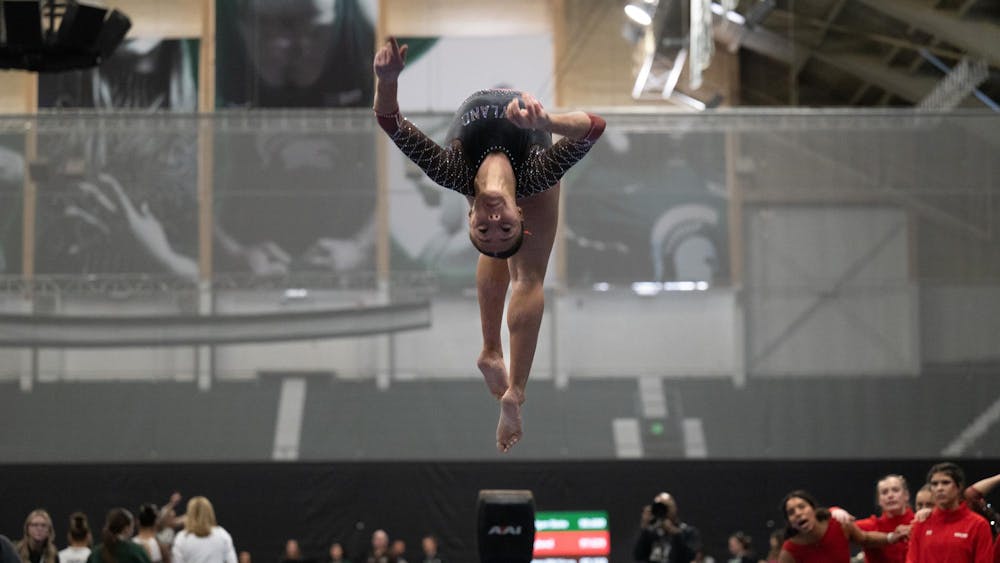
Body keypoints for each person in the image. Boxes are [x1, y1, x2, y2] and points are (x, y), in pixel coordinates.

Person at [373, 37, 606, 452]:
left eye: (484, 229)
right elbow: (594, 127)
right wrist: (547, 122)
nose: (494, 220)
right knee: (528, 276)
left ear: (470, 218)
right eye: (505, 226)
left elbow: (389, 120)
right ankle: (515, 390)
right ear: (521, 214)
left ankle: (490, 350)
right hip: (529, 169)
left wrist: (386, 79)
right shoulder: (539, 173)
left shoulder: (451, 171)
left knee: (505, 258)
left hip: (476, 168)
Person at [778, 490, 903, 563]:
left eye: (802, 507)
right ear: (789, 522)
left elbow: (865, 539)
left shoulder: (838, 523)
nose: (798, 513)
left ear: (813, 509)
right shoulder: (789, 551)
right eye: (791, 512)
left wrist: (891, 537)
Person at [906, 462, 992, 563]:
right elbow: (912, 560)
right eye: (934, 484)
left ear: (959, 487)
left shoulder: (978, 525)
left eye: (945, 483)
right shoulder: (921, 523)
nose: (939, 488)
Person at [851, 475, 915, 563]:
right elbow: (838, 525)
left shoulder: (919, 523)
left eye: (895, 490)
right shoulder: (871, 526)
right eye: (884, 492)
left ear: (906, 495)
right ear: (879, 500)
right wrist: (836, 511)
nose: (890, 495)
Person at [632, 492, 702, 563]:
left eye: (666, 507)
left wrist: (675, 533)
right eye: (659, 507)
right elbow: (638, 556)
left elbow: (690, 557)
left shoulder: (687, 532)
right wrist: (644, 527)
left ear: (674, 508)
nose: (662, 510)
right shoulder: (650, 532)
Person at [170, 497, 238, 563]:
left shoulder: (182, 537)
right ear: (210, 512)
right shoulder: (222, 535)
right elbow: (232, 561)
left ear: (189, 513)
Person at [86, 509, 150, 563]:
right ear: (126, 529)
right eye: (132, 527)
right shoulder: (135, 551)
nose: (133, 530)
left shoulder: (95, 554)